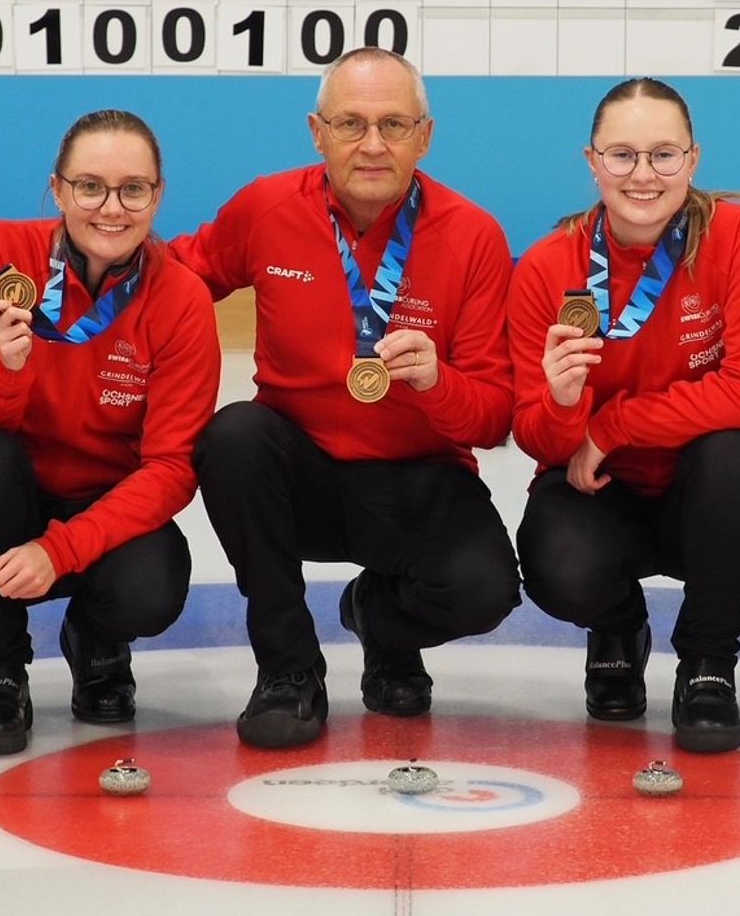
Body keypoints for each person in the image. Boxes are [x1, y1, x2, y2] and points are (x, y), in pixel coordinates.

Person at [175, 47, 520, 749]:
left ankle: (380, 622)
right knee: (235, 436)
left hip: (420, 474)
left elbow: (491, 417)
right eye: (351, 123)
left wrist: (437, 380)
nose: (371, 144)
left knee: (486, 590)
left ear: (425, 136)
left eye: (393, 124)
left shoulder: (474, 234)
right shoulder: (267, 207)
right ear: (316, 131)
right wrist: (61, 280)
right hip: (296, 474)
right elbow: (170, 282)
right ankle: (288, 669)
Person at [507, 78, 740, 753]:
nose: (643, 174)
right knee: (558, 560)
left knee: (737, 452)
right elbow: (537, 438)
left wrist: (614, 425)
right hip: (601, 492)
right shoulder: (549, 267)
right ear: (591, 161)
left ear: (693, 161)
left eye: (664, 155)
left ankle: (707, 663)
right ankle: (618, 623)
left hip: (711, 498)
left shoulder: (738, 236)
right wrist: (564, 399)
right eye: (622, 155)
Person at [0, 110, 220, 755]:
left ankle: (97, 641)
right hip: (8, 500)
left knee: (152, 588)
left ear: (158, 195)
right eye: (90, 186)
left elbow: (172, 468)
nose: (111, 208)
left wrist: (61, 551)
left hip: (105, 512)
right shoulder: (4, 254)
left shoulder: (181, 298)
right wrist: (9, 370)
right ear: (57, 191)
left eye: (132, 189)